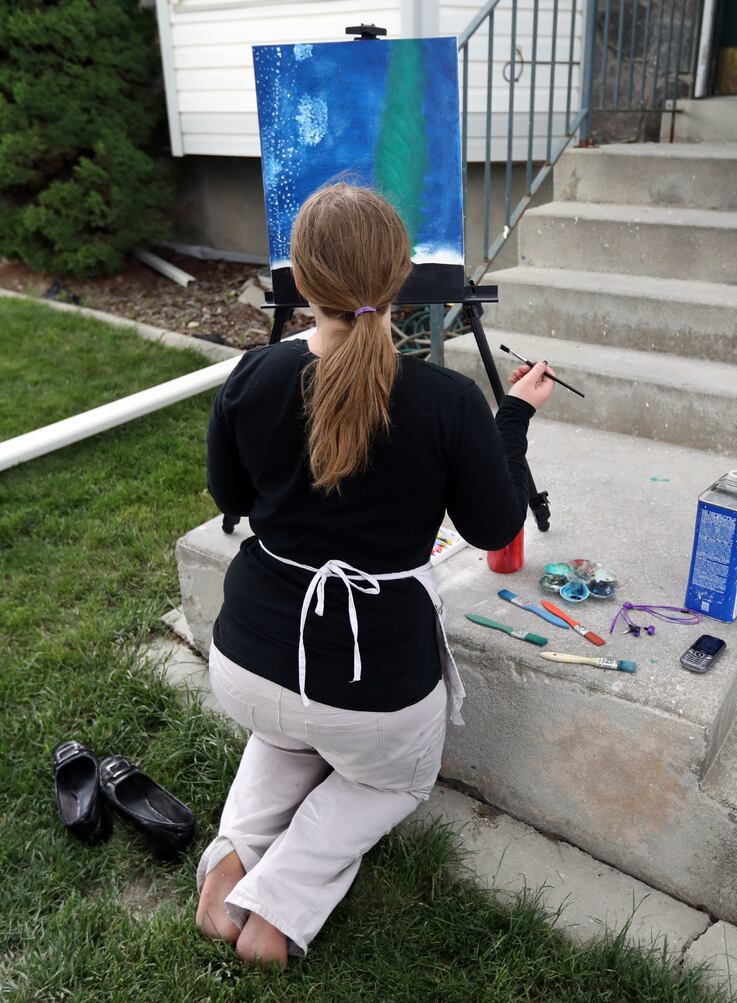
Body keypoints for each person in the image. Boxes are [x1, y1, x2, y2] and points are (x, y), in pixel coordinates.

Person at [195, 183, 556, 968]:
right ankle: (275, 910)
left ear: (302, 277)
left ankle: (229, 868)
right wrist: (514, 421)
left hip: (249, 662)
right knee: (391, 780)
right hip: (376, 692)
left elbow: (231, 498)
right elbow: (495, 529)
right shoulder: (448, 401)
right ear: (401, 277)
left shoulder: (253, 373)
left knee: (287, 730)